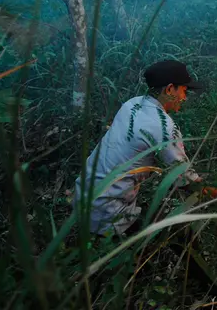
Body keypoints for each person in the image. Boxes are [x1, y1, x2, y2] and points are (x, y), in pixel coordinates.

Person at [72, 60, 205, 237]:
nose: (184, 97)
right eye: (184, 91)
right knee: (181, 231)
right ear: (169, 89)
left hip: (82, 199)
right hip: (108, 214)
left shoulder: (132, 104)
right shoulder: (163, 127)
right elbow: (184, 179)